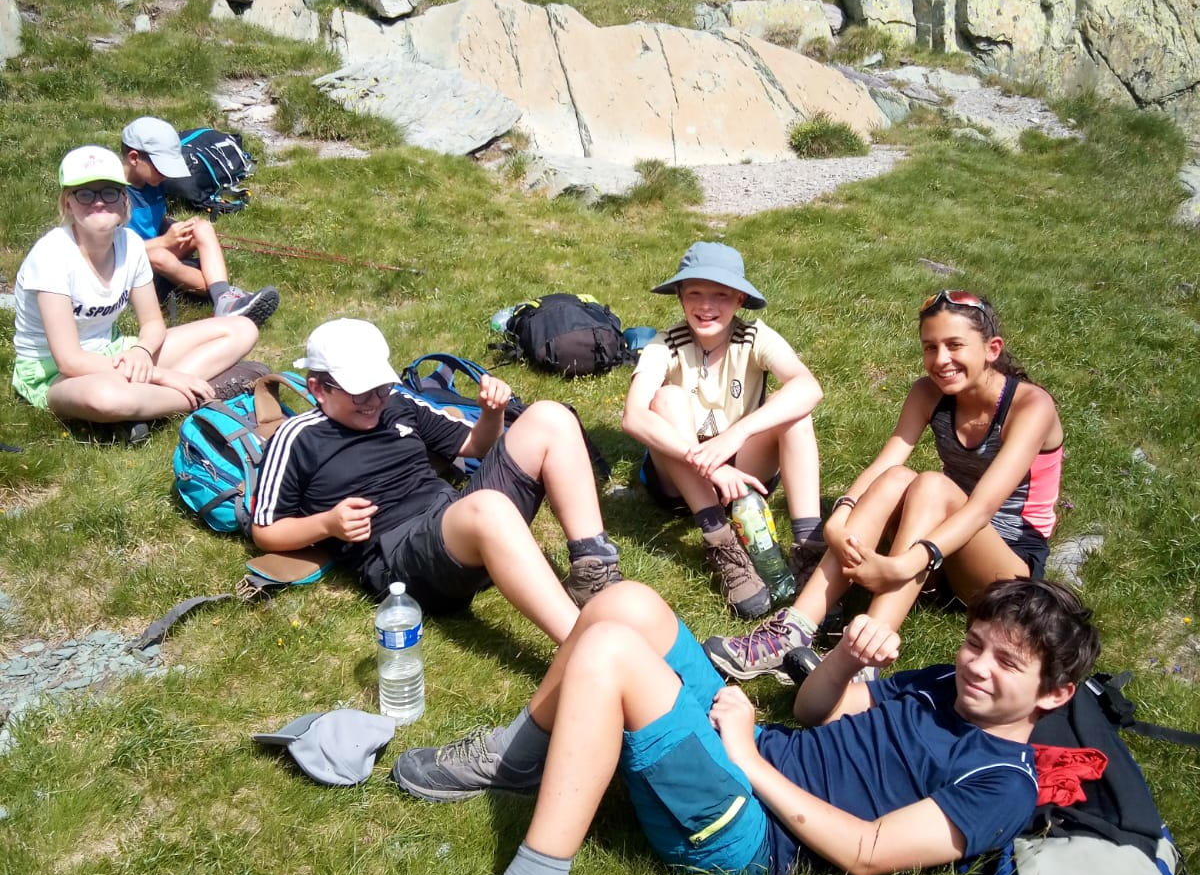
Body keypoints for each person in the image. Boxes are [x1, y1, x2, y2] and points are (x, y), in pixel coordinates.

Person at [380, 575, 1098, 875]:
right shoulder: (944, 684)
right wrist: (845, 658)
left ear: (1055, 694)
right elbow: (818, 711)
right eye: (975, 644)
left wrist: (749, 759)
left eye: (1007, 663)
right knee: (627, 604)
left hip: (750, 834)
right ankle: (521, 757)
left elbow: (868, 852)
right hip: (753, 757)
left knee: (608, 653)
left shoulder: (1003, 785)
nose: (977, 666)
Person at [704, 288, 1065, 683]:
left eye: (955, 345)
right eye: (930, 347)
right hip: (942, 552)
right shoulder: (928, 392)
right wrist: (840, 518)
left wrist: (900, 566)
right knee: (897, 478)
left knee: (932, 485)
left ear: (992, 349)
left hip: (1007, 570)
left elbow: (980, 509)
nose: (941, 360)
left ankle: (862, 660)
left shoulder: (1031, 407)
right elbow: (887, 462)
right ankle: (792, 629)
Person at [251, 318, 622, 642]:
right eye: (360, 391)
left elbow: (474, 446)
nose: (375, 400)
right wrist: (328, 524)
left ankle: (594, 572)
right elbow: (265, 531)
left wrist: (491, 413)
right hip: (400, 560)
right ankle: (583, 643)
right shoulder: (297, 438)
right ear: (318, 388)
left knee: (550, 417)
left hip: (455, 522)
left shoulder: (398, 404)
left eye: (381, 386)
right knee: (487, 508)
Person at [622, 241, 824, 619]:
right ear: (680, 296)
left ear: (740, 300)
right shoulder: (665, 344)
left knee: (796, 412)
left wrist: (735, 436)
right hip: (680, 480)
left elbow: (809, 387)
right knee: (666, 399)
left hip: (744, 474)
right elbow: (633, 416)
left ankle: (809, 551)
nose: (706, 305)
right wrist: (707, 462)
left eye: (721, 295)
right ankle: (721, 541)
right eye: (695, 293)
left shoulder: (755, 336)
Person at [12, 146, 262, 434]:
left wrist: (142, 351)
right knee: (106, 398)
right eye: (84, 194)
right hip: (53, 372)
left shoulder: (130, 245)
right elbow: (69, 360)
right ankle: (207, 392)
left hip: (117, 352)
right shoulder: (51, 255)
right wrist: (162, 375)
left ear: (124, 200)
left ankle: (152, 404)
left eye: (109, 192)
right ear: (68, 203)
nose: (98, 202)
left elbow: (153, 323)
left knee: (242, 328)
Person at [120, 116, 279, 325]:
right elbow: (112, 250)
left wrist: (174, 227)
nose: (166, 175)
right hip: (128, 263)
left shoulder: (153, 182)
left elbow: (152, 221)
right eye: (161, 168)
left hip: (155, 247)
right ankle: (225, 294)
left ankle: (224, 300)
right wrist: (164, 241)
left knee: (201, 227)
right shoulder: (112, 196)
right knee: (161, 257)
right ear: (134, 158)